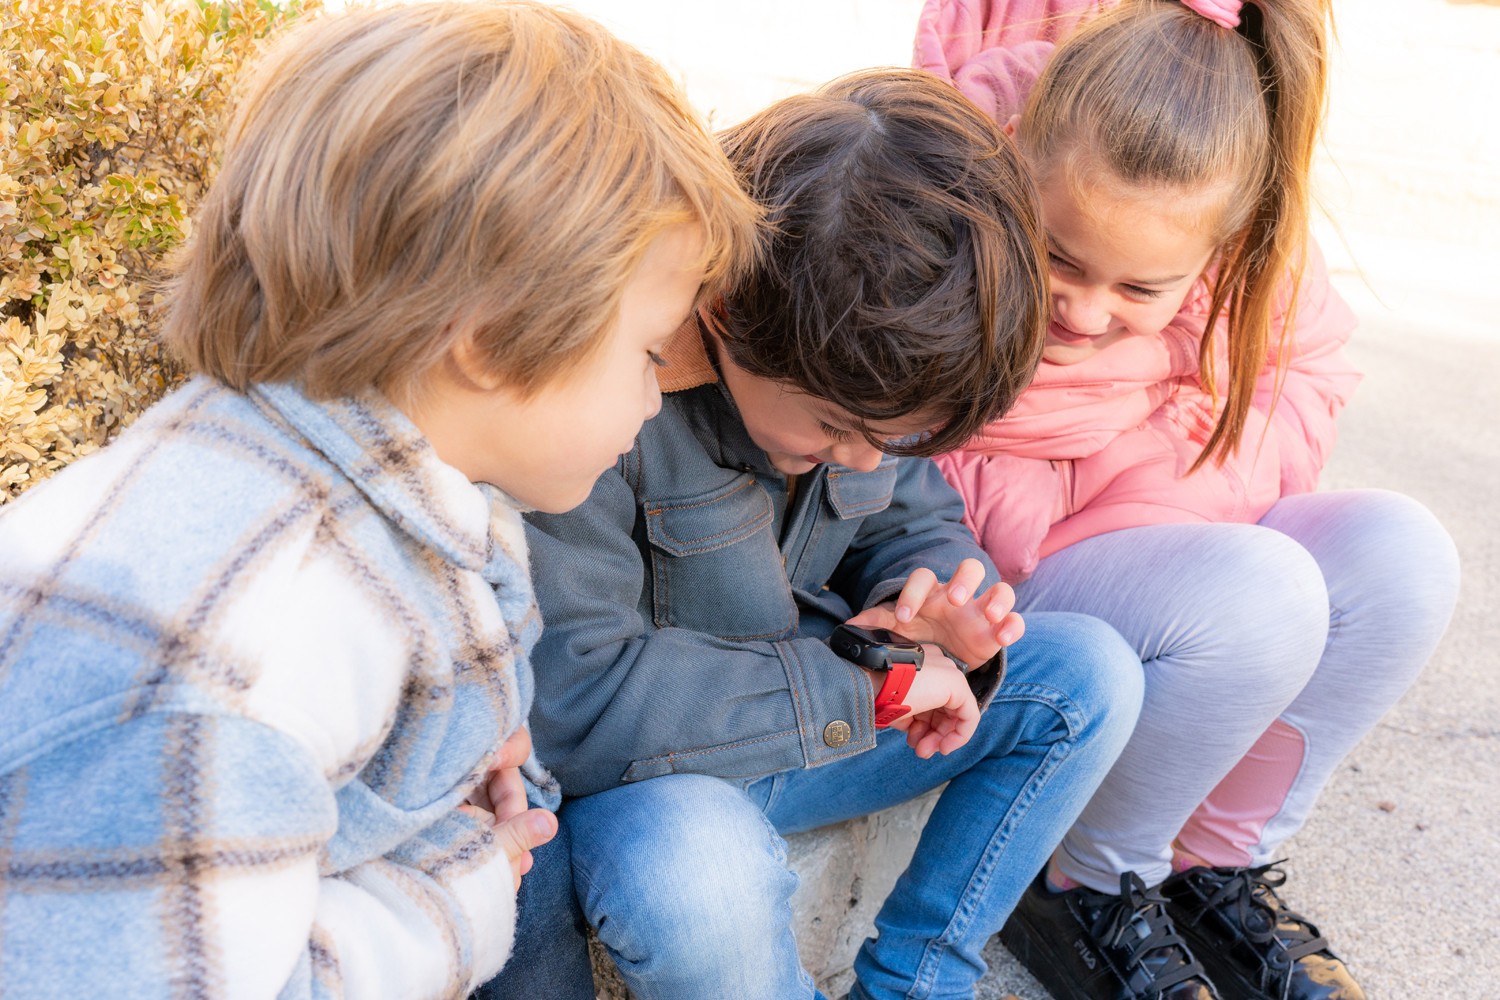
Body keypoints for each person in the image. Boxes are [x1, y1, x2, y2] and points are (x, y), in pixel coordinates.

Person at [0, 2, 761, 996]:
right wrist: (459, 892)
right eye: (649, 351)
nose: (657, 395)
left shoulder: (353, 492)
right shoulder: (246, 648)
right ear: (487, 339)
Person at [494, 68, 1147, 1000]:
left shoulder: (863, 391)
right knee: (696, 878)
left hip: (827, 717)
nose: (859, 457)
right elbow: (573, 698)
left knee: (1090, 674)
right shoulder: (608, 410)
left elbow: (916, 513)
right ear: (724, 314)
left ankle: (920, 979)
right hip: (660, 780)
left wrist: (941, 605)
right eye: (835, 428)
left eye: (893, 436)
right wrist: (869, 683)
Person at [914, 2, 1461, 999]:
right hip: (1026, 583)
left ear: (1219, 244)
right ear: (1020, 170)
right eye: (1062, 260)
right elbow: (917, 442)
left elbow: (1308, 378)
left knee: (1402, 554)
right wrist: (1136, 460)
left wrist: (1171, 470)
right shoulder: (957, 200)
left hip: (1182, 546)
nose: (1084, 311)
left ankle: (1212, 859)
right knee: (1258, 593)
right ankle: (1089, 873)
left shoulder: (1247, 239)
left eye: (1139, 288)